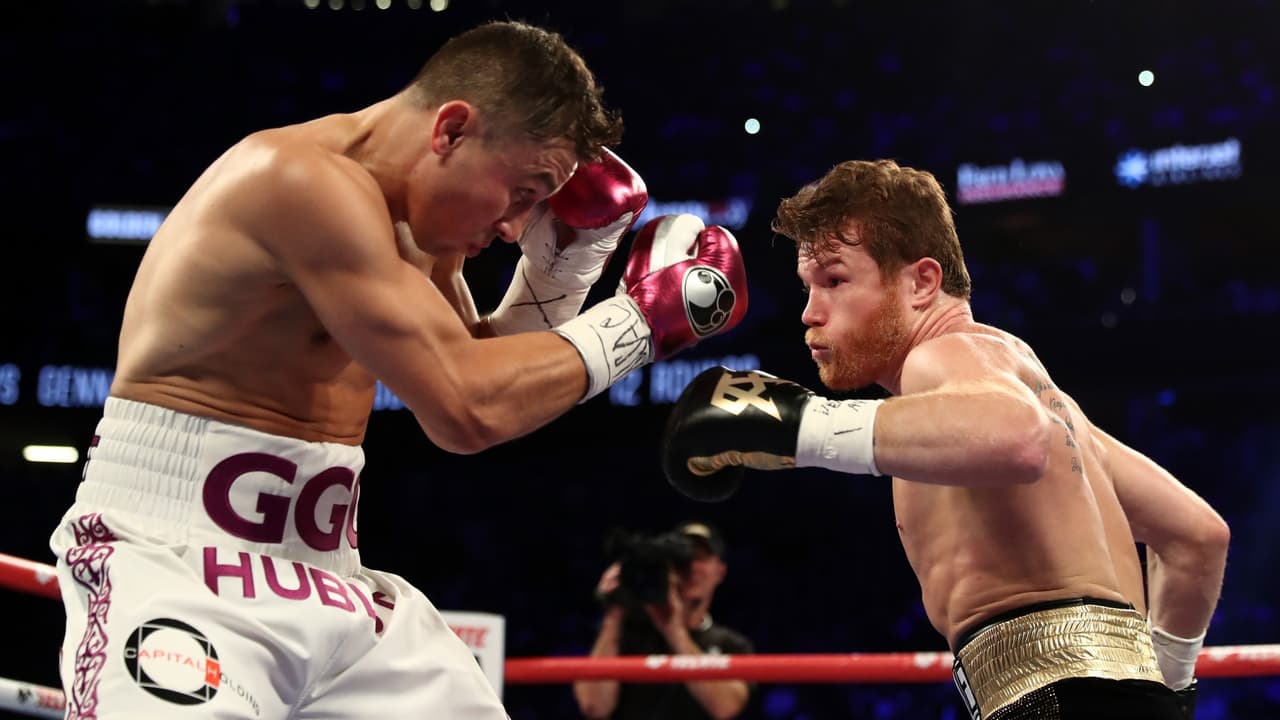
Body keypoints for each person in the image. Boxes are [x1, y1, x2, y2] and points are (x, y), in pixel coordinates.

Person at [47, 19, 748, 720]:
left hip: (328, 572)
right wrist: (641, 321)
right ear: (451, 130)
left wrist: (562, 269)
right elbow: (467, 408)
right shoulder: (298, 181)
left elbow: (480, 378)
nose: (514, 226)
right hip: (179, 557)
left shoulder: (419, 224)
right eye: (522, 190)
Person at [660, 159, 1229, 719]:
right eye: (808, 287)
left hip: (1061, 699)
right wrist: (1165, 690)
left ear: (922, 282)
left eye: (834, 281)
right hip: (1111, 699)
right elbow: (1197, 537)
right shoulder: (1057, 412)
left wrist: (801, 424)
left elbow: (1017, 438)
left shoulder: (943, 356)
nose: (810, 313)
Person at [574, 521, 754, 720]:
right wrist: (614, 612)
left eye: (702, 558)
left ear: (720, 572)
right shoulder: (624, 635)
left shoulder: (732, 645)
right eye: (684, 559)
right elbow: (593, 707)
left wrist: (675, 632)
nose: (692, 567)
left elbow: (726, 708)